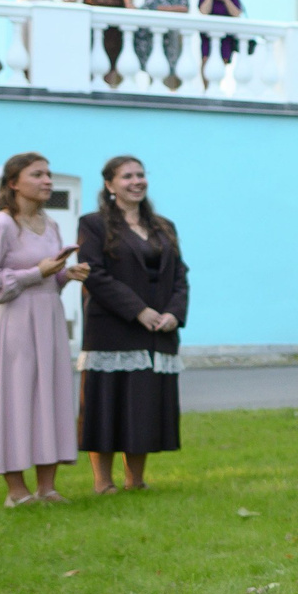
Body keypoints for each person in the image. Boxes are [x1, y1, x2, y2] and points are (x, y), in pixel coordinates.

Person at [0, 152, 89, 505]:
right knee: (17, 396)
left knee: (50, 395)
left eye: (49, 175)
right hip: (17, 321)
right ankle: (16, 490)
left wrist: (65, 275)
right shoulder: (1, 225)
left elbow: (47, 278)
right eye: (37, 175)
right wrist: (36, 272)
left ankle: (47, 486)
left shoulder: (51, 224)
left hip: (49, 318)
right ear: (13, 183)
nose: (48, 181)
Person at [75, 155, 187, 494]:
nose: (137, 181)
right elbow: (95, 273)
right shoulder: (93, 224)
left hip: (157, 330)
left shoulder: (163, 226)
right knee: (108, 402)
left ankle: (135, 480)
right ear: (110, 185)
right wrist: (138, 310)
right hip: (113, 326)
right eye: (127, 177)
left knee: (143, 403)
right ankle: (102, 482)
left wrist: (173, 313)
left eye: (140, 175)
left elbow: (180, 275)